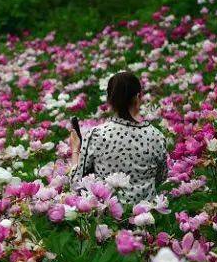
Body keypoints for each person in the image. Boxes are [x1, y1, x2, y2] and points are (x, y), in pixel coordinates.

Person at [69, 71, 171, 208]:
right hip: (147, 217)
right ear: (138, 97)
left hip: (108, 219)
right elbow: (160, 178)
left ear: (109, 100)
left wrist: (75, 149)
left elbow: (77, 183)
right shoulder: (156, 136)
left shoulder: (97, 135)